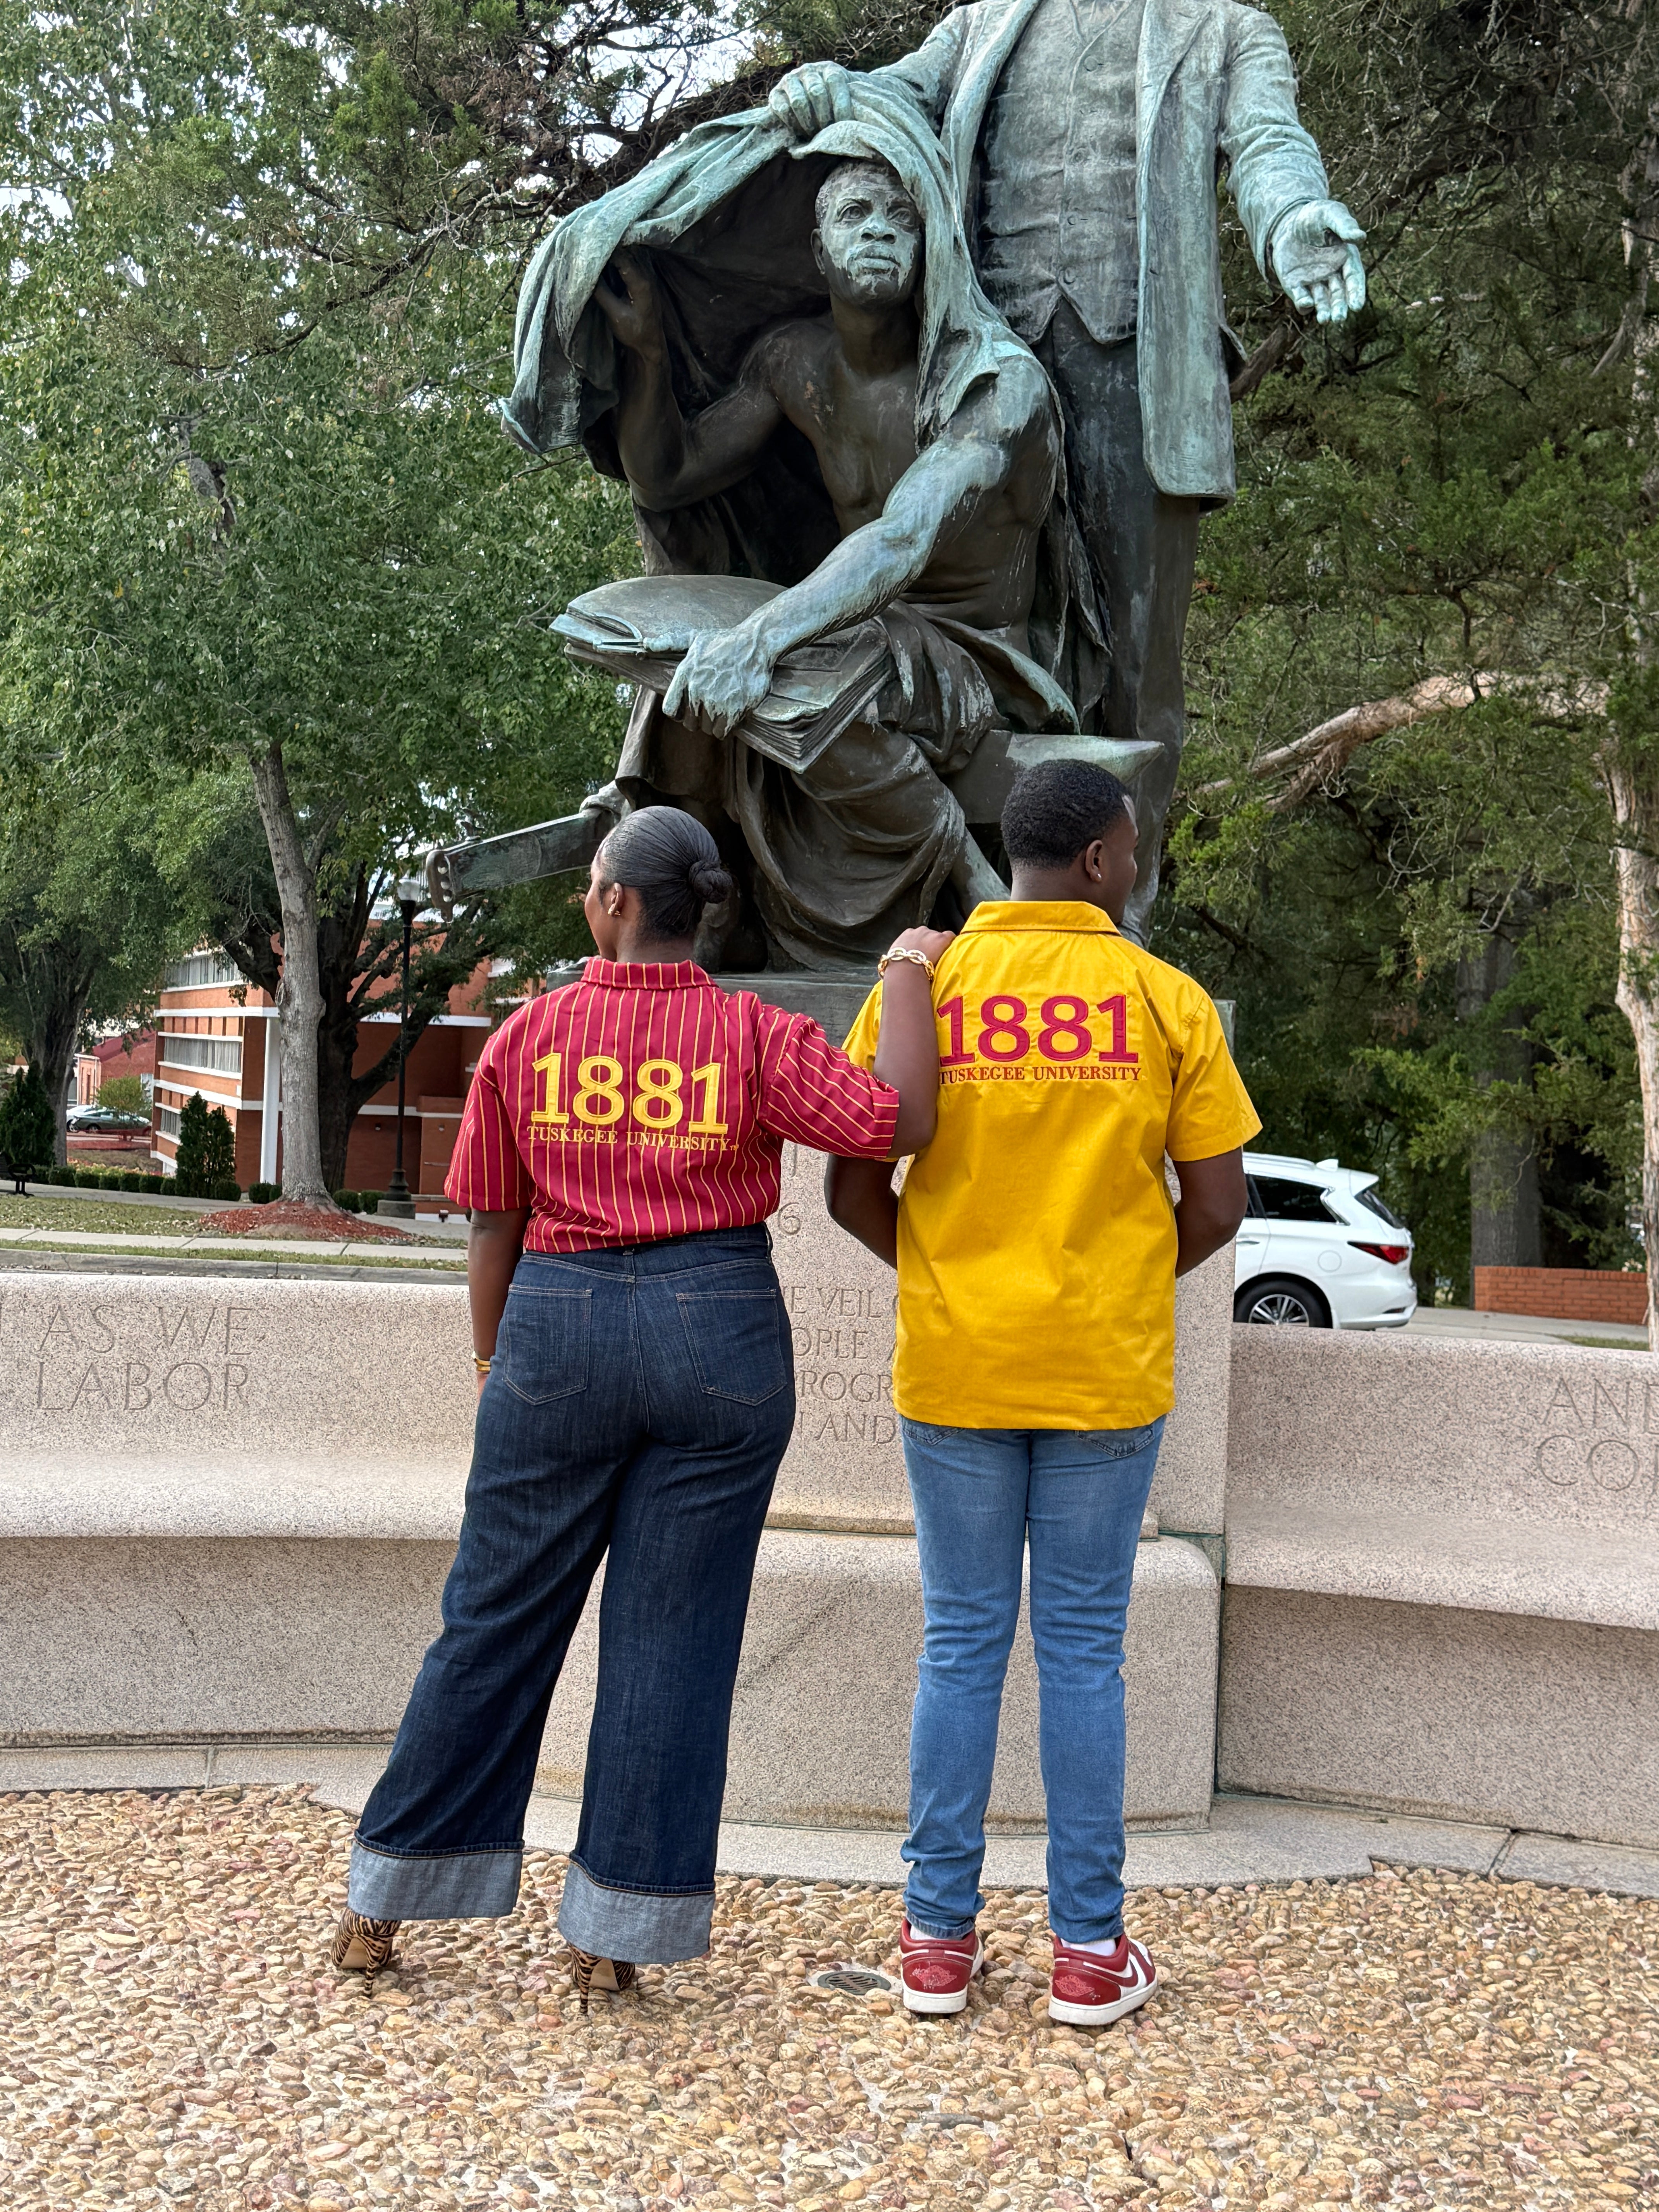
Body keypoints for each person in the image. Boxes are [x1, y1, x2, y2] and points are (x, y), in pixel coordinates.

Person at [332, 805, 950, 2001]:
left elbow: (491, 1224)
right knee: (673, 1642)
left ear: (615, 902)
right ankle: (617, 1931)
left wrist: (488, 1367)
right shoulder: (753, 1033)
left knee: (494, 1619)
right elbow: (898, 1123)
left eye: (590, 886)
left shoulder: (528, 1036)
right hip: (716, 1325)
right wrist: (906, 970)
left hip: (552, 1326)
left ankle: (386, 1898)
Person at [768, 1, 1367, 942]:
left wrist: (1292, 215)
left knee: (1133, 680)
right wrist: (829, 86)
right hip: (987, 362)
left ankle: (1119, 928)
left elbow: (1267, 141)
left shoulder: (1225, 28)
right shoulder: (979, 24)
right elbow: (896, 95)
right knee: (976, 635)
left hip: (1140, 374)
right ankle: (969, 909)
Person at [829, 759, 1259, 2025]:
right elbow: (1221, 1205)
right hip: (1100, 1371)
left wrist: (948, 1276)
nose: (1134, 863)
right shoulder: (1163, 998)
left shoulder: (928, 983)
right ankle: (1086, 1953)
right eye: (1130, 847)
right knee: (1082, 1652)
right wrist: (1122, 1281)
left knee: (959, 1644)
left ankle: (934, 1948)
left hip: (955, 1363)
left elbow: (853, 1185)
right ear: (1096, 862)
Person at [590, 148, 1072, 964]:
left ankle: (962, 866)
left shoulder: (994, 383)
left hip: (977, 660)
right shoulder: (796, 363)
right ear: (819, 252)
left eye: (901, 219)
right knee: (686, 659)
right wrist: (649, 356)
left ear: (930, 251)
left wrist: (761, 639)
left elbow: (903, 538)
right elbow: (668, 477)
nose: (880, 231)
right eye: (855, 216)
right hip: (861, 631)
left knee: (811, 655)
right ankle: (699, 901)